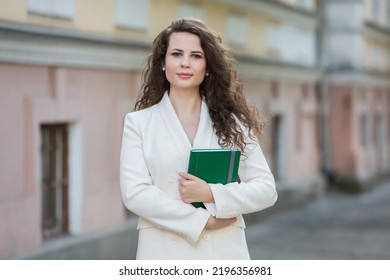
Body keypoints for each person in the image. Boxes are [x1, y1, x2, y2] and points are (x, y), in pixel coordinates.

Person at [119, 17, 277, 260]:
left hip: (223, 252)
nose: (185, 63)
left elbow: (266, 190)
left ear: (208, 66)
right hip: (163, 252)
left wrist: (212, 194)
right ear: (163, 63)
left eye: (196, 56)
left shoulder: (234, 123)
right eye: (177, 54)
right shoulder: (138, 123)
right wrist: (201, 220)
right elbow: (135, 194)